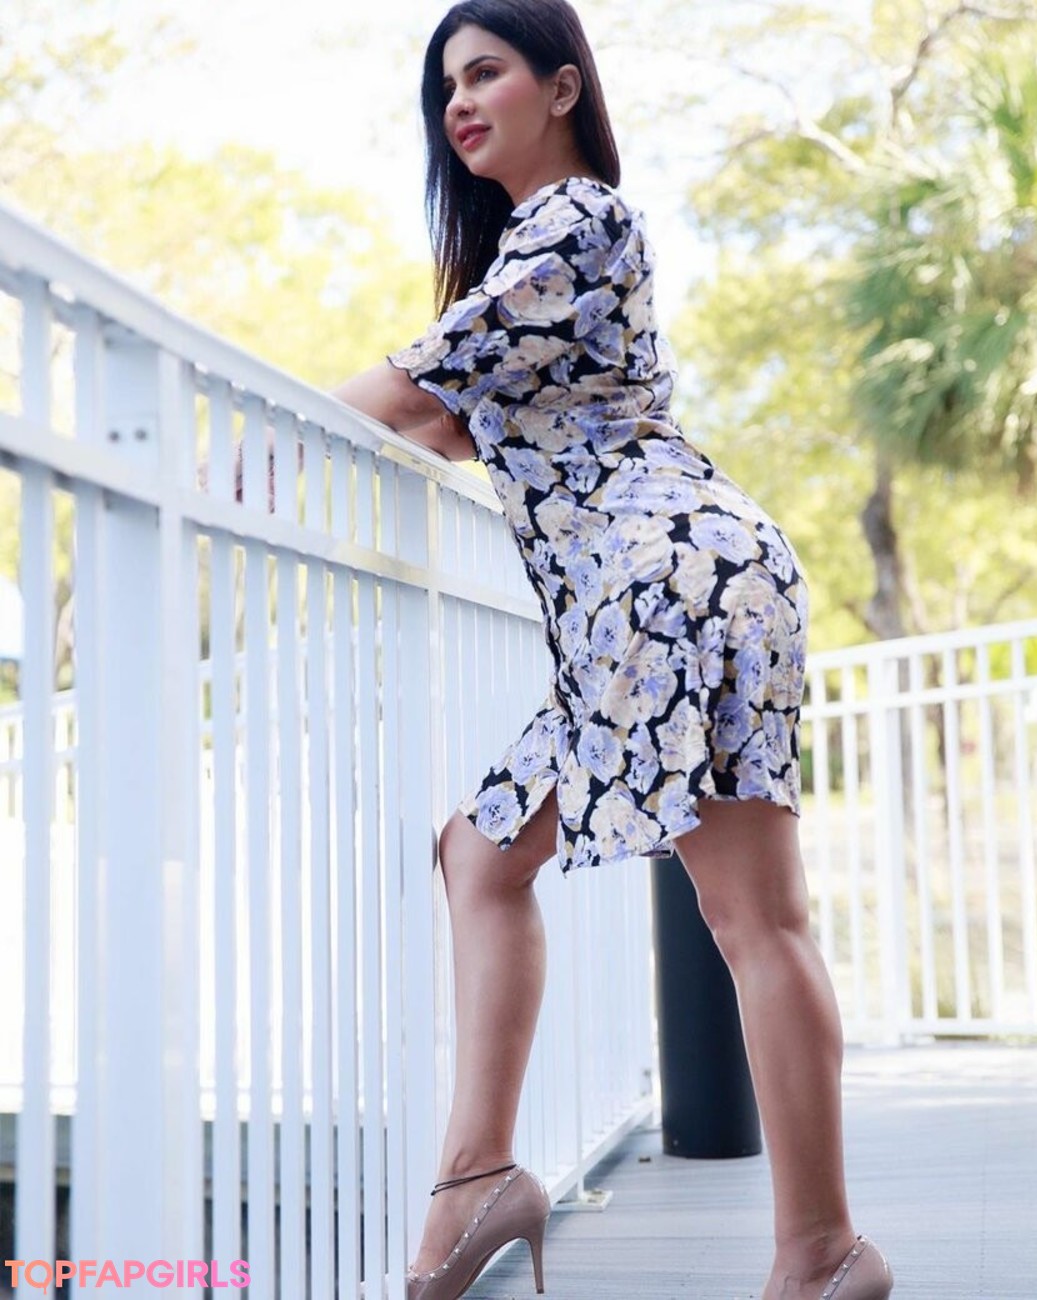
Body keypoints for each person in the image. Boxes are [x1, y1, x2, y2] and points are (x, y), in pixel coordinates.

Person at [331, 2, 893, 1298]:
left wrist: (232, 442)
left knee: (755, 918)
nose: (459, 103)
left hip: (675, 582)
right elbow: (450, 422)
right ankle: (479, 1179)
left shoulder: (579, 220)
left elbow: (413, 389)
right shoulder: (534, 256)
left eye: (486, 73)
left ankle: (823, 1252)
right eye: (445, 87)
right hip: (630, 610)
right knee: (481, 851)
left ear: (562, 87)